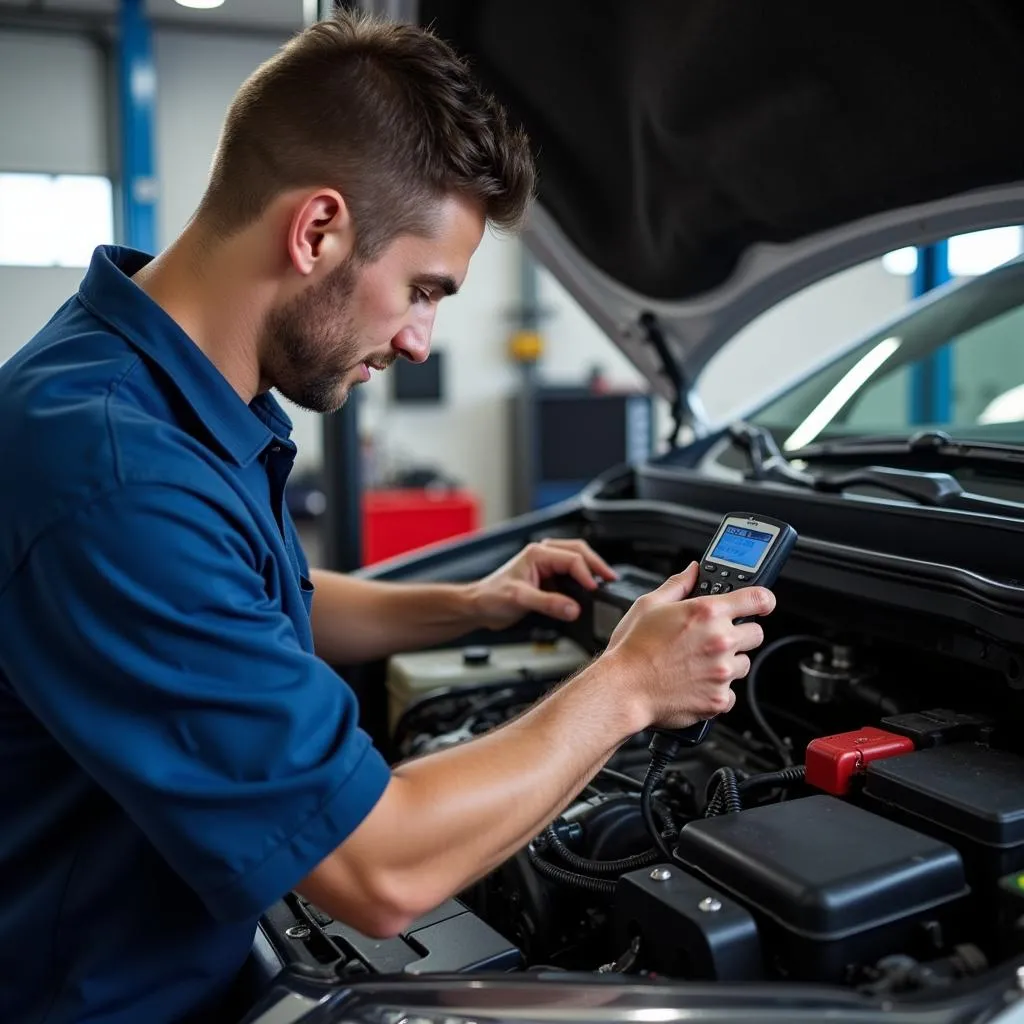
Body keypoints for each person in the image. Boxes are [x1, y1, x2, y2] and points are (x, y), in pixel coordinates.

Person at [0, 11, 774, 1024]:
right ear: (316, 229)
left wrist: (472, 602)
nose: (419, 341)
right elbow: (380, 868)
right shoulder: (118, 473)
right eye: (422, 289)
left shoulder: (149, 382)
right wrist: (629, 683)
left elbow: (264, 598)